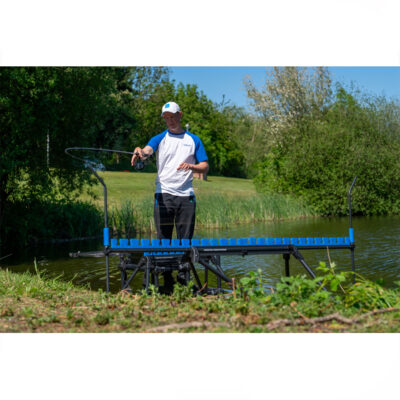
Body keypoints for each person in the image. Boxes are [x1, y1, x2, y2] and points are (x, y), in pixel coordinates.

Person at [131, 101, 209, 289]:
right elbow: (147, 151)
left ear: (180, 115)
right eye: (166, 118)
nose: (170, 121)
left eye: (172, 117)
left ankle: (184, 278)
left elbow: (205, 166)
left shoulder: (193, 140)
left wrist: (191, 166)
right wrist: (140, 152)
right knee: (163, 239)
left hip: (186, 196)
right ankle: (167, 279)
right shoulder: (159, 138)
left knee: (185, 240)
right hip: (163, 193)